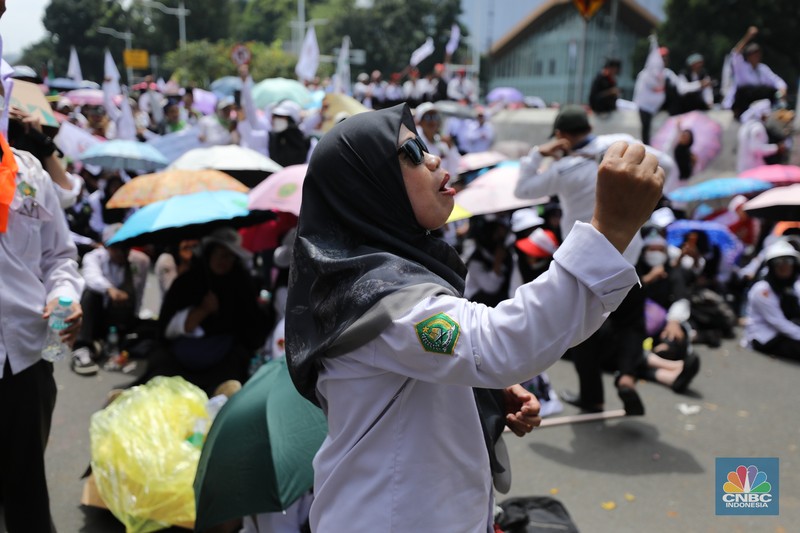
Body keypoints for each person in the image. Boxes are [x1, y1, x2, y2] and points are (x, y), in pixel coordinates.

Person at [285, 102, 664, 531]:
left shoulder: (385, 278)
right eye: (411, 154)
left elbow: (445, 362)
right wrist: (608, 230)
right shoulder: (376, 299)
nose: (433, 158)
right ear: (368, 188)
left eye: (425, 146)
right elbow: (499, 344)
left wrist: (482, 392)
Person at [0, 129, 85, 531]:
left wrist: (64, 294)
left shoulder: (28, 171)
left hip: (26, 357)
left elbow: (60, 256)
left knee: (26, 491)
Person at [72, 223, 150, 375]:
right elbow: (91, 277)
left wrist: (135, 314)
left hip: (122, 316)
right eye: (116, 248)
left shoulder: (141, 261)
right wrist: (110, 290)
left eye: (125, 247)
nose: (121, 252)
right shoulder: (94, 257)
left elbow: (139, 292)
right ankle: (83, 347)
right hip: (99, 313)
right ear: (106, 247)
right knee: (90, 293)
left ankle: (113, 342)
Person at [743, 239, 800, 360]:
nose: (784, 266)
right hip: (765, 338)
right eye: (779, 262)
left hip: (786, 333)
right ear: (772, 265)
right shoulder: (762, 290)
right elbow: (778, 322)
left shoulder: (793, 287)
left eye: (788, 261)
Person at [723, 26, 787, 119]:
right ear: (748, 56)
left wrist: (782, 89)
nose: (757, 57)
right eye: (754, 54)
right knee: (746, 91)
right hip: (742, 102)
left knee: (770, 91)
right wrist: (748, 36)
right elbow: (736, 53)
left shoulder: (762, 68)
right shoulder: (741, 67)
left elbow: (775, 80)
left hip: (757, 102)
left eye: (758, 54)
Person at [632, 40, 673, 145]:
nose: (664, 61)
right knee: (645, 129)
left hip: (659, 107)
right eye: (661, 59)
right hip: (645, 107)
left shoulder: (667, 74)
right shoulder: (645, 74)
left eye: (665, 58)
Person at [736, 99, 780, 173]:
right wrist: (776, 148)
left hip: (743, 167)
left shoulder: (745, 126)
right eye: (766, 115)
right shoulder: (758, 128)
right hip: (754, 167)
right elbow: (756, 149)